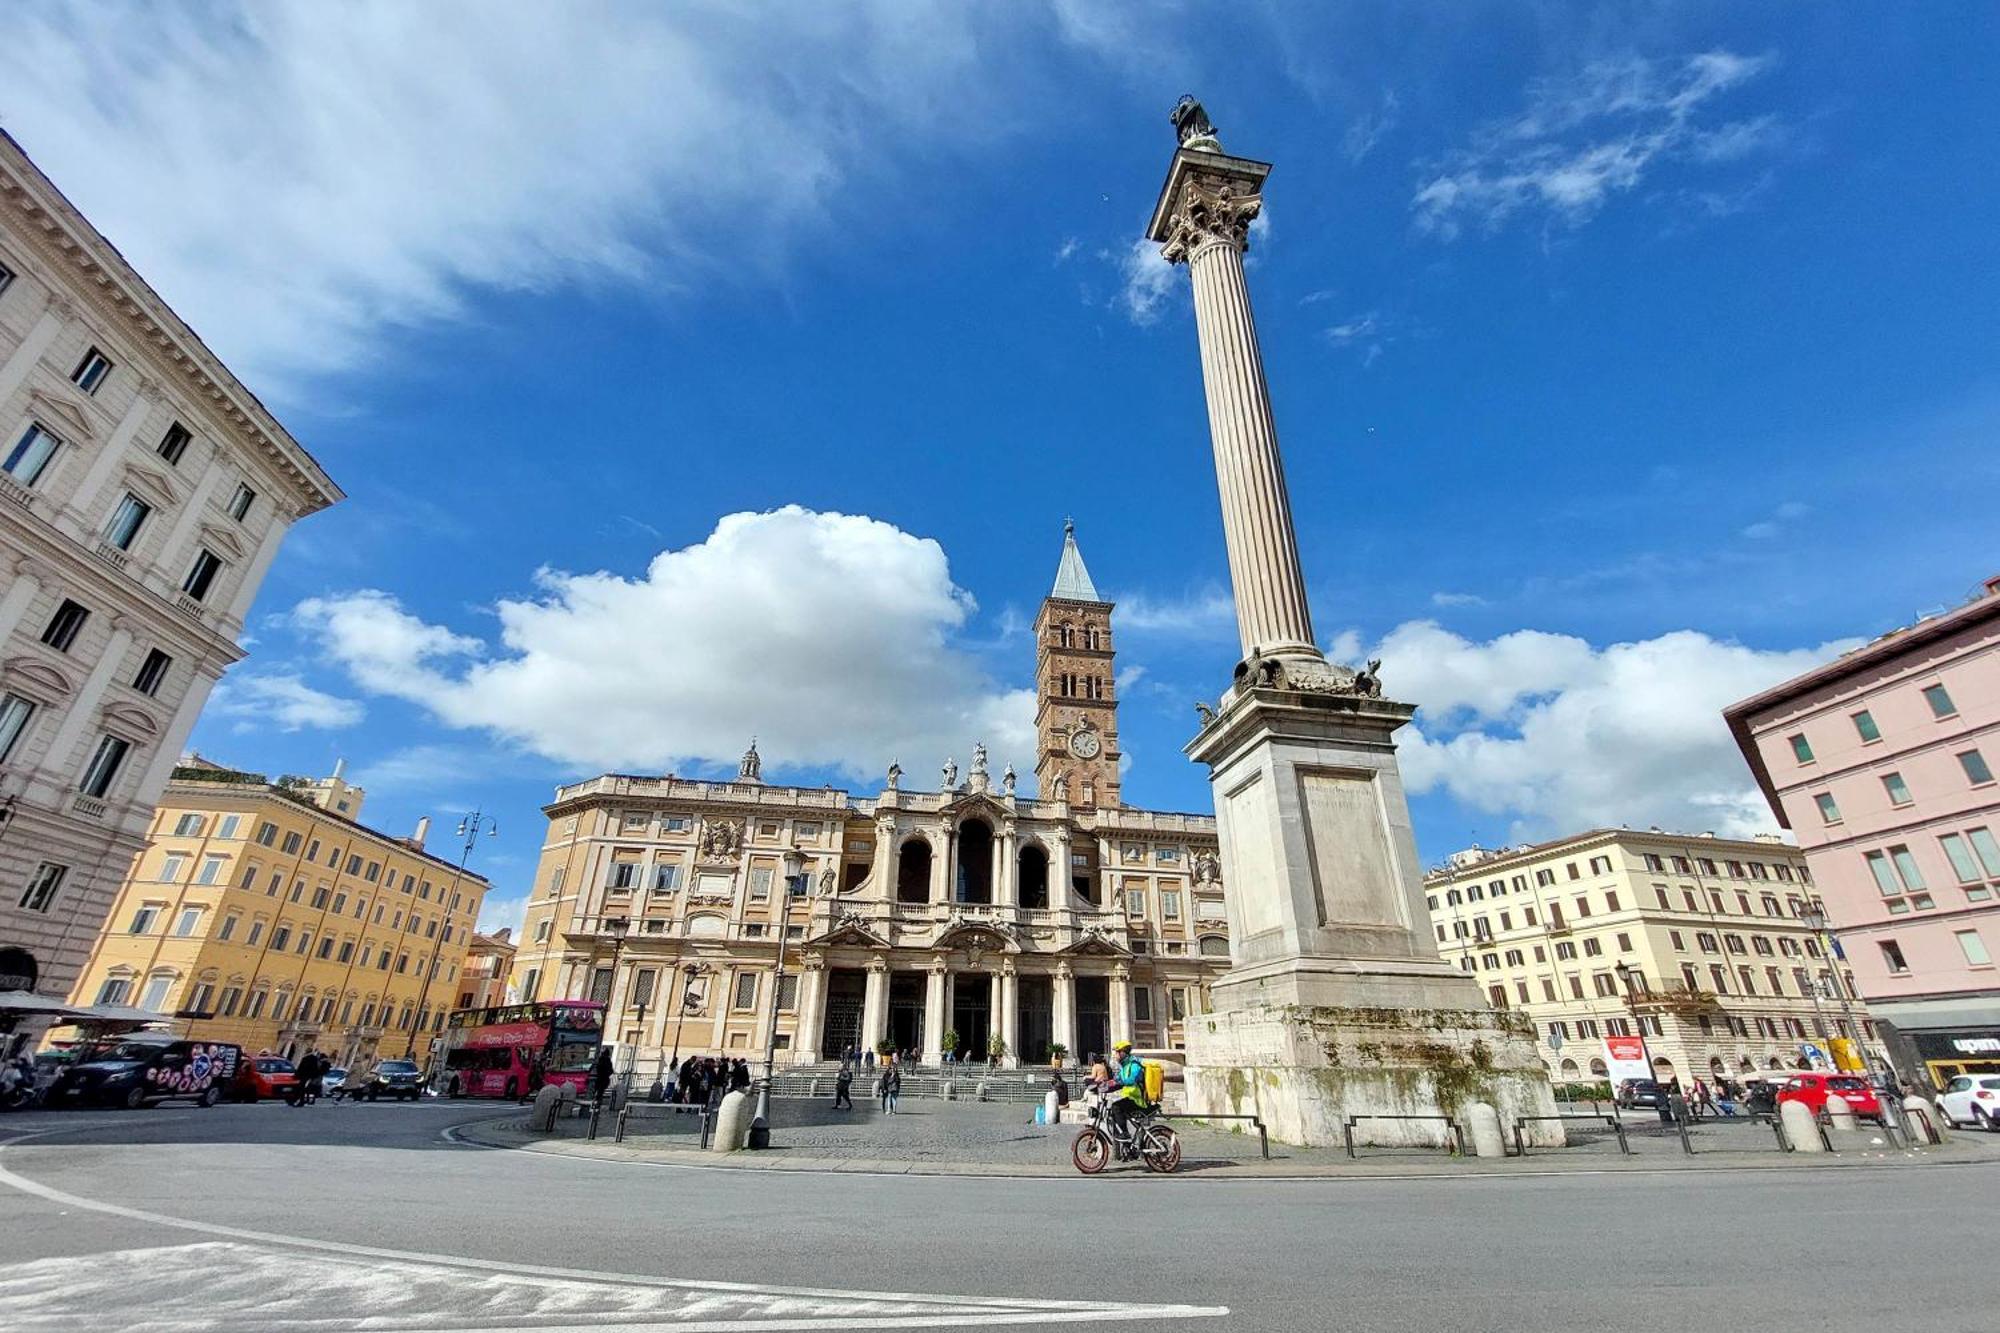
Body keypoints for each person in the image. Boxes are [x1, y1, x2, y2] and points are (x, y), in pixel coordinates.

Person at [1099, 1040, 1148, 1157]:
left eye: (1117, 1053)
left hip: (1138, 1100)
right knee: (1113, 1112)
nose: (1115, 1056)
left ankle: (1125, 1134)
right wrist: (1104, 1086)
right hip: (1130, 1098)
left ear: (1123, 1053)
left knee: (1116, 1107)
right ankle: (1127, 1145)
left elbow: (1132, 1080)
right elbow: (1116, 1081)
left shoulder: (1135, 1065)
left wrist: (1119, 1082)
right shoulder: (1124, 1067)